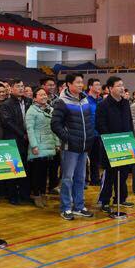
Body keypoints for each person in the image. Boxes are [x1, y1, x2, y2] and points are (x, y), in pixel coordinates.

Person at [51, 73, 94, 220]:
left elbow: (88, 121)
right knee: (67, 178)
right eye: (77, 82)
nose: (81, 85)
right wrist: (68, 138)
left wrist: (89, 137)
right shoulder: (62, 101)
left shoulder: (85, 99)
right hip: (70, 147)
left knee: (81, 178)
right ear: (69, 84)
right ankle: (66, 208)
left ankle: (79, 206)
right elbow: (55, 124)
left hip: (83, 146)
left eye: (82, 82)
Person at [96, 76, 135, 213]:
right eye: (118, 85)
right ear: (110, 88)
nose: (122, 88)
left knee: (123, 174)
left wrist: (131, 138)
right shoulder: (103, 105)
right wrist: (110, 140)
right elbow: (100, 125)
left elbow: (129, 121)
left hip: (125, 143)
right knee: (110, 175)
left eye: (122, 85)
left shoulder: (125, 103)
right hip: (111, 144)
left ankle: (120, 198)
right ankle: (104, 201)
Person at [25, 88, 60, 208]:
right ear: (34, 98)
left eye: (45, 94)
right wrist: (34, 145)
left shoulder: (51, 109)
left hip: (49, 144)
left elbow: (54, 128)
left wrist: (57, 143)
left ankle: (43, 193)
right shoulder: (31, 111)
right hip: (38, 145)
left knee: (45, 173)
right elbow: (30, 129)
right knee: (37, 173)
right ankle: (36, 194)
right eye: (40, 95)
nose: (44, 96)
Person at [0, 78, 32, 205]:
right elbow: (7, 122)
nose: (21, 88)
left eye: (22, 86)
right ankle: (12, 196)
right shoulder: (6, 104)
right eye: (18, 86)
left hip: (27, 141)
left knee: (26, 169)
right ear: (11, 89)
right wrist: (22, 134)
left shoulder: (28, 101)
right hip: (13, 141)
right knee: (14, 170)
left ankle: (25, 194)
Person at [40, 77, 61, 193]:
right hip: (43, 136)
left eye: (53, 85)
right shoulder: (38, 100)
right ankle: (41, 189)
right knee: (43, 165)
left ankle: (53, 185)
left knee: (55, 163)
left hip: (55, 134)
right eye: (49, 85)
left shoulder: (58, 99)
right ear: (43, 86)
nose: (52, 87)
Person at [85, 78, 102, 186]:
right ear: (90, 87)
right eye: (96, 85)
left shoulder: (101, 100)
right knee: (85, 159)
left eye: (99, 85)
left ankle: (95, 179)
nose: (99, 87)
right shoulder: (85, 100)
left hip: (98, 134)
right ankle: (84, 180)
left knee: (96, 158)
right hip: (88, 133)